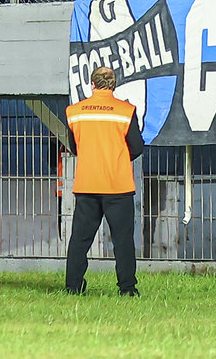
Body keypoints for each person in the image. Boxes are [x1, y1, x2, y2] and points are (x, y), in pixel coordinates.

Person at [65, 65, 144, 297]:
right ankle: (127, 289)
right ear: (114, 85)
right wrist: (117, 158)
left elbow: (73, 146)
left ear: (92, 84)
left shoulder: (75, 112)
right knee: (122, 240)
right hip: (118, 185)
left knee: (80, 239)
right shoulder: (126, 111)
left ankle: (73, 287)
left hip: (87, 184)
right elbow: (137, 147)